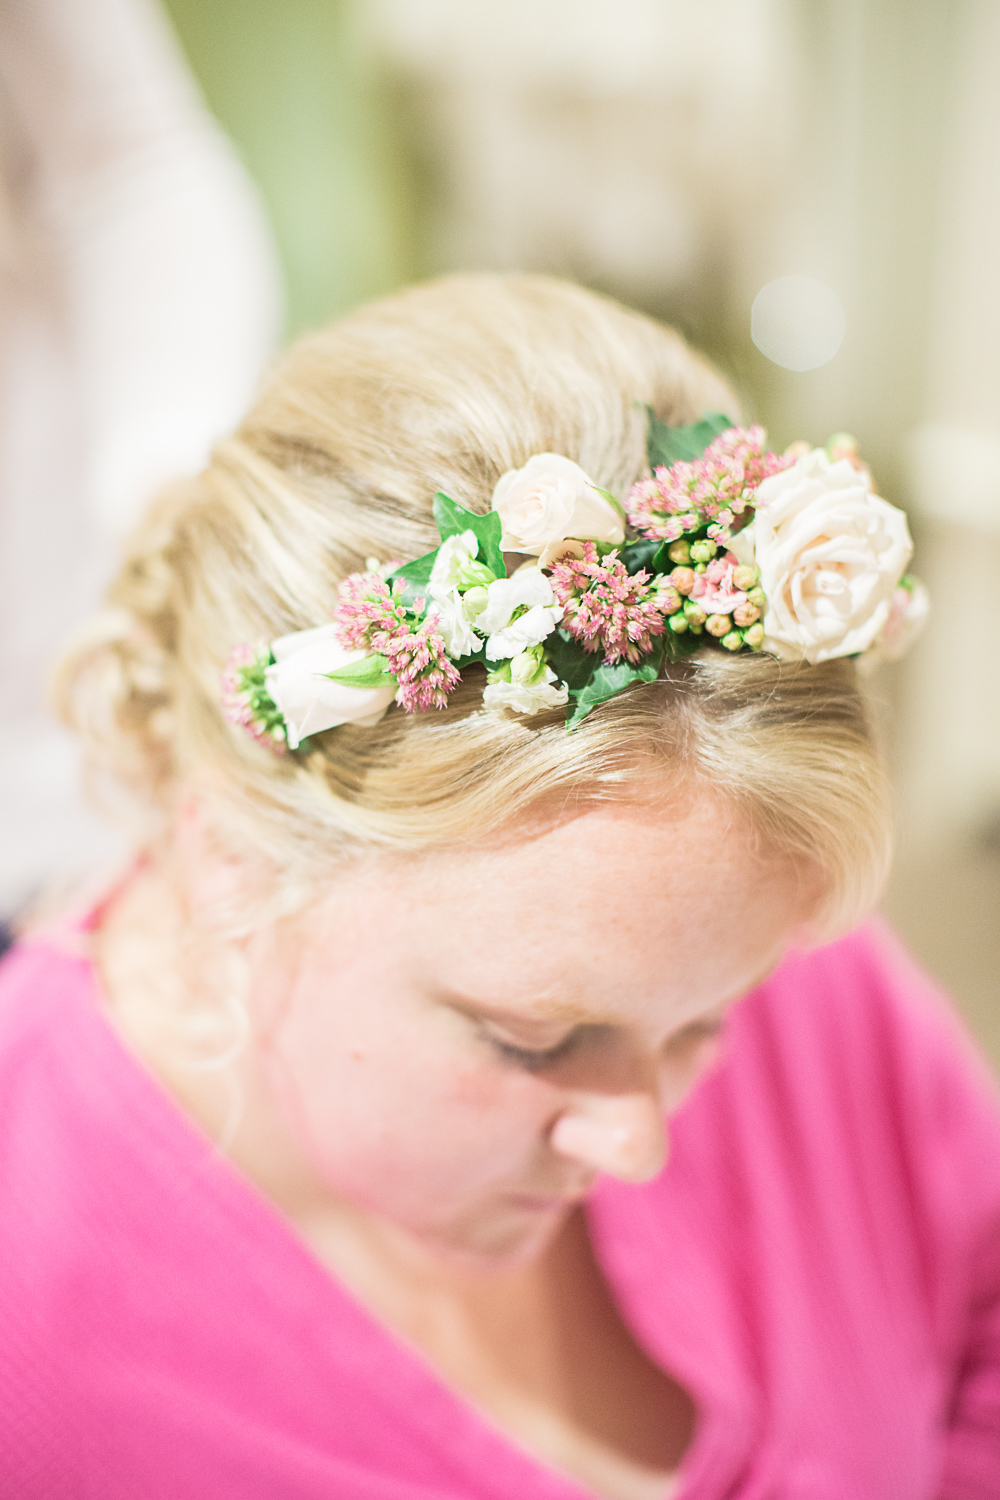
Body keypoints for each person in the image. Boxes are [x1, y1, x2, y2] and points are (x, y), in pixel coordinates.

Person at [0, 275, 997, 1500]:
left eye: (702, 1030)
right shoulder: (30, 1311)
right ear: (231, 861)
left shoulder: (755, 941)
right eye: (531, 1042)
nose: (635, 1141)